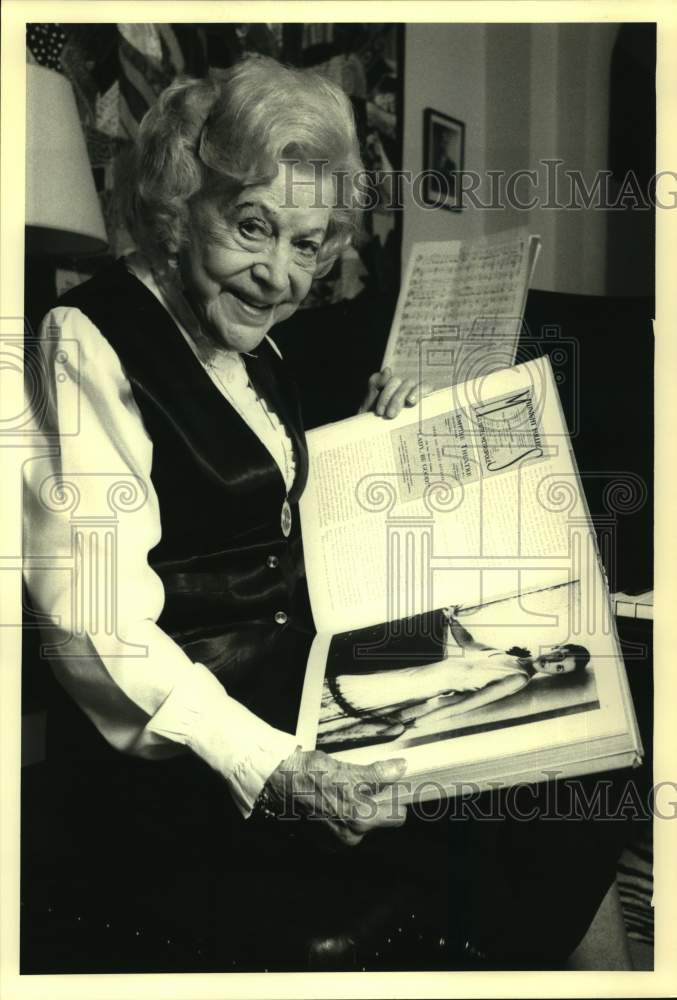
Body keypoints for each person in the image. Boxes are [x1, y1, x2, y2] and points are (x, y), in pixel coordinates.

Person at [22, 58, 431, 968]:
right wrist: (274, 766)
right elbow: (92, 625)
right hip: (179, 787)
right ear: (178, 206)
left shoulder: (256, 350)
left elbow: (262, 516)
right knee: (481, 848)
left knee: (548, 802)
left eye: (308, 244)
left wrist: (382, 436)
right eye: (254, 227)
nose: (281, 275)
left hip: (295, 720)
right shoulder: (85, 337)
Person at [321, 607, 591, 744]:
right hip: (418, 674)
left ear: (555, 676)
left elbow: (466, 704)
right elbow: (469, 643)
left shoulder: (518, 678)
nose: (552, 661)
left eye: (559, 667)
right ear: (557, 647)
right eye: (559, 655)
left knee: (351, 700)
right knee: (353, 686)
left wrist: (415, 720)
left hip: (418, 687)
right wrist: (452, 618)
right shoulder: (511, 657)